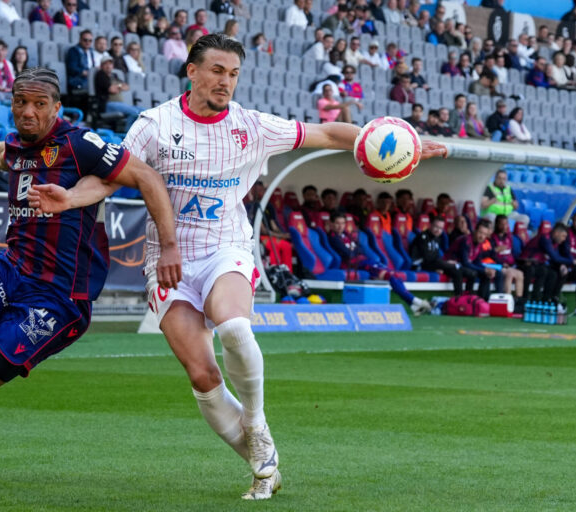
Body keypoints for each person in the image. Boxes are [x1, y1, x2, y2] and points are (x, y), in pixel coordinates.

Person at [28, 34, 447, 500]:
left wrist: (392, 141)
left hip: (227, 247)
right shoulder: (153, 125)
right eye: (216, 71)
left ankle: (257, 421)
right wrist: (69, 197)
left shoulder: (253, 125)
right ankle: (262, 465)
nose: (225, 81)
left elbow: (328, 133)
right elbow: (110, 178)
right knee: (203, 377)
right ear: (191, 71)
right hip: (167, 260)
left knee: (234, 328)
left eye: (233, 74)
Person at [0, 67, 181, 480]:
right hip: (13, 269)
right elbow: (1, 153)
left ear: (57, 107)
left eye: (39, 104)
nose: (28, 112)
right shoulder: (18, 145)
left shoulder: (80, 144)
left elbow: (147, 177)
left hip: (58, 298)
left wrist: (169, 247)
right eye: (20, 103)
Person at [328, 213, 433, 315]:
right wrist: (355, 251)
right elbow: (347, 253)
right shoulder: (332, 237)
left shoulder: (347, 235)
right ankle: (414, 301)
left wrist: (355, 251)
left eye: (342, 223)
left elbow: (361, 249)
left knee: (393, 274)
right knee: (389, 275)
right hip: (353, 265)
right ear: (331, 224)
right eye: (337, 223)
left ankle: (413, 303)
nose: (340, 226)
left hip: (363, 261)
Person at [410, 216, 475, 296]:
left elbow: (436, 257)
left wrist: (443, 264)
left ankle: (460, 298)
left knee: (457, 272)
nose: (438, 230)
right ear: (430, 225)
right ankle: (456, 266)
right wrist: (444, 264)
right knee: (451, 265)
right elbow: (428, 258)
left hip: (433, 264)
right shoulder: (423, 237)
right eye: (436, 227)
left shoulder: (437, 239)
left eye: (441, 228)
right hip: (421, 265)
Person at [446, 218, 502, 301]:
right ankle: (467, 299)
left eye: (484, 234)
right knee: (474, 273)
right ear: (475, 231)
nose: (482, 236)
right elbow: (465, 262)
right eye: (480, 232)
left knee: (487, 274)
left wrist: (487, 270)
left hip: (464, 266)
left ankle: (482, 301)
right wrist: (484, 270)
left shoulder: (479, 243)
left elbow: (477, 262)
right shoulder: (466, 241)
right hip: (452, 265)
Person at [245, 181, 293, 269]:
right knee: (274, 246)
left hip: (271, 236)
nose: (259, 192)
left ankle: (287, 273)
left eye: (261, 190)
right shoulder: (251, 206)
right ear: (252, 191)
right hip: (259, 237)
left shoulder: (269, 206)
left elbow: (273, 225)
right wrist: (280, 235)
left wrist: (283, 235)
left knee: (287, 246)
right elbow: (262, 230)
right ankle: (275, 271)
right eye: (257, 190)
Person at [94, 56, 143, 131]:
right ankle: (128, 135)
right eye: (105, 64)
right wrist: (120, 86)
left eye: (110, 64)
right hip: (108, 104)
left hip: (119, 104)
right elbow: (112, 90)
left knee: (143, 111)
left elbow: (126, 87)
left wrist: (118, 86)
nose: (108, 66)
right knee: (134, 112)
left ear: (112, 65)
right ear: (101, 66)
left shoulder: (114, 76)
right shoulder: (101, 75)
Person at [490, 214, 524, 301]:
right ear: (497, 225)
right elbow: (490, 255)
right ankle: (507, 299)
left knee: (520, 274)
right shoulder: (492, 238)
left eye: (506, 224)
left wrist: (513, 263)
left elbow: (511, 253)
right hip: (498, 266)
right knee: (509, 274)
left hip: (510, 265)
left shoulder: (509, 237)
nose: (505, 226)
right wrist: (501, 263)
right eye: (503, 224)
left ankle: (518, 300)